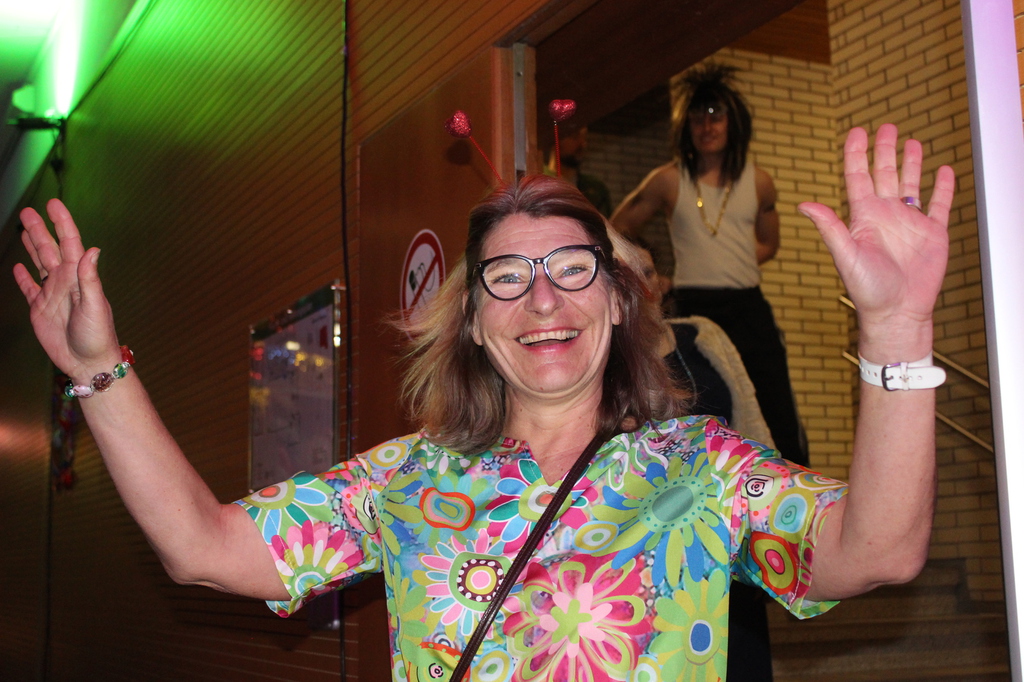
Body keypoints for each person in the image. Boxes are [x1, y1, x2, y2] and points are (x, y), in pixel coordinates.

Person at [15, 123, 954, 682]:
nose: (542, 301)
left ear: (617, 301)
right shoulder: (404, 482)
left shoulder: (703, 470)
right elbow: (202, 548)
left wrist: (898, 330)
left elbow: (877, 550)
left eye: (572, 269)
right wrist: (98, 369)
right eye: (507, 278)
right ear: (471, 322)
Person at [611, 63, 808, 467]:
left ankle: (790, 488)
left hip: (748, 306)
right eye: (697, 117)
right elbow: (616, 230)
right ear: (686, 127)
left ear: (734, 122)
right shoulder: (668, 179)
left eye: (716, 114)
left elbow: (769, 244)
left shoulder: (760, 182)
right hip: (693, 306)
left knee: (775, 404)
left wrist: (728, 263)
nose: (707, 125)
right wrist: (653, 275)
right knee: (694, 400)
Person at [544, 122, 613, 217]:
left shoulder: (596, 188)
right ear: (555, 138)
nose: (582, 144)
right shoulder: (538, 178)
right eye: (574, 137)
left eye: (585, 138)